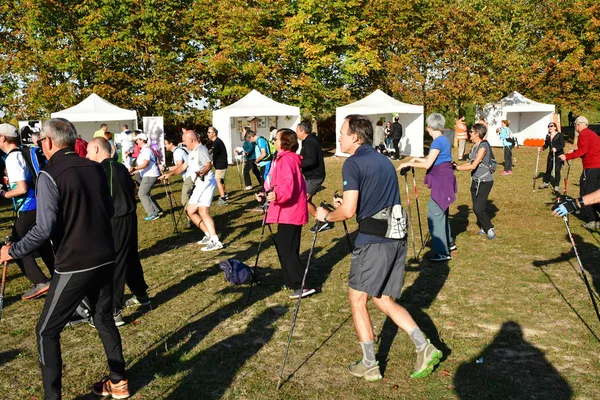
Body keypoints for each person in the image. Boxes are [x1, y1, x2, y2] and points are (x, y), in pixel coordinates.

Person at [0, 118, 129, 400]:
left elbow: (43, 229)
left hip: (75, 262)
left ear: (48, 142)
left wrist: (12, 250)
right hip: (106, 257)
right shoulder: (95, 168)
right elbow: (108, 209)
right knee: (103, 318)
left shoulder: (49, 174)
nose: (40, 146)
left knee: (47, 331)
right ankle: (119, 382)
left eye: (40, 142)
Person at [315, 114, 442, 381]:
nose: (338, 137)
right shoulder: (384, 160)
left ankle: (369, 363)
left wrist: (326, 216)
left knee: (357, 299)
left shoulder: (352, 163)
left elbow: (348, 211)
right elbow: (372, 201)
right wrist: (346, 208)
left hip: (374, 241)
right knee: (382, 299)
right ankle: (424, 346)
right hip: (396, 237)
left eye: (342, 132)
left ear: (355, 136)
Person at [87, 138, 150, 322]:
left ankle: (113, 309)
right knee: (130, 257)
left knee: (115, 263)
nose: (86, 156)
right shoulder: (121, 167)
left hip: (117, 219)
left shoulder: (104, 169)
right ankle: (141, 295)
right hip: (129, 217)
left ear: (97, 149)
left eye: (89, 152)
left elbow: (102, 197)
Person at [256, 128, 314, 299]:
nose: (273, 141)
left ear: (284, 142)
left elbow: (288, 186)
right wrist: (266, 195)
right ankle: (290, 281)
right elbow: (278, 184)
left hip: (290, 211)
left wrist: (277, 195)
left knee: (287, 248)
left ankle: (301, 285)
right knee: (286, 247)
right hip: (286, 211)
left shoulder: (286, 159)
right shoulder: (283, 159)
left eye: (276, 138)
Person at [0, 123, 55, 300]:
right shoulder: (24, 151)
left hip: (28, 206)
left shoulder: (12, 158)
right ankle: (58, 276)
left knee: (16, 246)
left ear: (2, 138)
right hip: (40, 202)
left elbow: (22, 188)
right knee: (42, 242)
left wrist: (4, 193)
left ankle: (40, 281)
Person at [399, 113, 457, 260]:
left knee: (434, 215)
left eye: (427, 127)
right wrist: (417, 158)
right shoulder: (444, 139)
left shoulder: (437, 142)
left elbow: (428, 164)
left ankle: (442, 252)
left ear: (430, 127)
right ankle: (449, 243)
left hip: (441, 181)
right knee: (442, 211)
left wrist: (408, 163)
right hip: (445, 179)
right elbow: (436, 159)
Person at [454, 123, 496, 239]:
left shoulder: (483, 147)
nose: (469, 133)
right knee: (477, 208)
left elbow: (473, 166)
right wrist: (457, 166)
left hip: (485, 181)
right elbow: (471, 163)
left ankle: (489, 228)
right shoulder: (474, 146)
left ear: (477, 134)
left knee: (478, 208)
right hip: (475, 180)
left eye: (471, 132)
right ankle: (484, 225)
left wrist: (457, 168)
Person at [183, 130, 223, 251]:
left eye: (185, 141)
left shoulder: (202, 149)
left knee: (203, 210)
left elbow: (208, 164)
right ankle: (208, 235)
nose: (184, 143)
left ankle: (215, 241)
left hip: (206, 181)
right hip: (199, 183)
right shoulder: (192, 152)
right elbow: (184, 166)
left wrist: (202, 172)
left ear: (191, 139)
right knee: (189, 210)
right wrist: (168, 173)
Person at [558, 116, 600, 229]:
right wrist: (575, 151)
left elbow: (583, 151)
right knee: (596, 193)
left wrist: (566, 156)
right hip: (598, 168)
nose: (575, 127)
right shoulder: (593, 134)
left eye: (575, 125)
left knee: (586, 193)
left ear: (578, 125)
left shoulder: (583, 134)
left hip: (591, 168)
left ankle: (594, 219)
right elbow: (590, 149)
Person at [295, 121, 331, 233]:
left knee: (303, 199)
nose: (296, 133)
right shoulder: (308, 141)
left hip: (315, 176)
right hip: (311, 176)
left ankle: (323, 220)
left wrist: (298, 162)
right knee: (306, 199)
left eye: (297, 131)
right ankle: (320, 218)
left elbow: (312, 160)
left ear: (303, 131)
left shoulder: (310, 142)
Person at [160, 135, 192, 228]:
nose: (165, 146)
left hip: (190, 176)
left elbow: (179, 166)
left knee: (184, 199)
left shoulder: (177, 152)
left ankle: (192, 220)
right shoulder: (180, 149)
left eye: (166, 144)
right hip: (192, 176)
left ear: (171, 144)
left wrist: (167, 169)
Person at [130, 133, 163, 221]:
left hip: (150, 175)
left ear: (142, 140)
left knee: (142, 194)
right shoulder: (143, 150)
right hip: (148, 174)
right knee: (146, 193)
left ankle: (152, 214)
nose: (136, 141)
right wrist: (135, 171)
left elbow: (146, 164)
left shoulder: (146, 150)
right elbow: (144, 165)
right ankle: (157, 210)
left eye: (137, 140)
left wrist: (133, 168)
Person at [539, 122, 565, 192]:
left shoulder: (559, 135)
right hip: (551, 155)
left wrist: (556, 148)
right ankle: (546, 182)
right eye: (548, 126)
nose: (550, 127)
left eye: (551, 126)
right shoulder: (547, 136)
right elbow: (546, 144)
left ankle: (556, 185)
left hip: (559, 155)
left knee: (557, 171)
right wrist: (542, 148)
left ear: (555, 127)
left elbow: (562, 145)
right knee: (548, 169)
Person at [207, 126, 229, 206]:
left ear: (214, 133)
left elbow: (210, 151)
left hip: (221, 164)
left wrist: (203, 153)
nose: (208, 134)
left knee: (218, 180)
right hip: (219, 164)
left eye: (209, 132)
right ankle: (225, 195)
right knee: (221, 180)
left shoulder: (217, 142)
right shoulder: (215, 142)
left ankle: (223, 199)